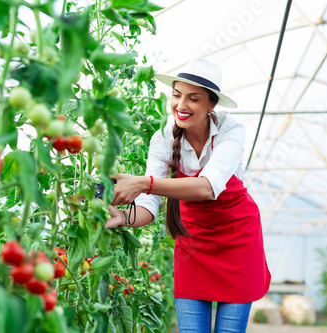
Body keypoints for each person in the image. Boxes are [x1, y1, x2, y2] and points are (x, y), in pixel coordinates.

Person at [105, 57, 271, 333]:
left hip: (238, 242)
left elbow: (207, 187)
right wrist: (122, 217)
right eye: (176, 95)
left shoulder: (231, 132)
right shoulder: (162, 139)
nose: (181, 106)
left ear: (211, 105)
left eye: (193, 99)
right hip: (193, 243)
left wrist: (143, 183)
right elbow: (148, 208)